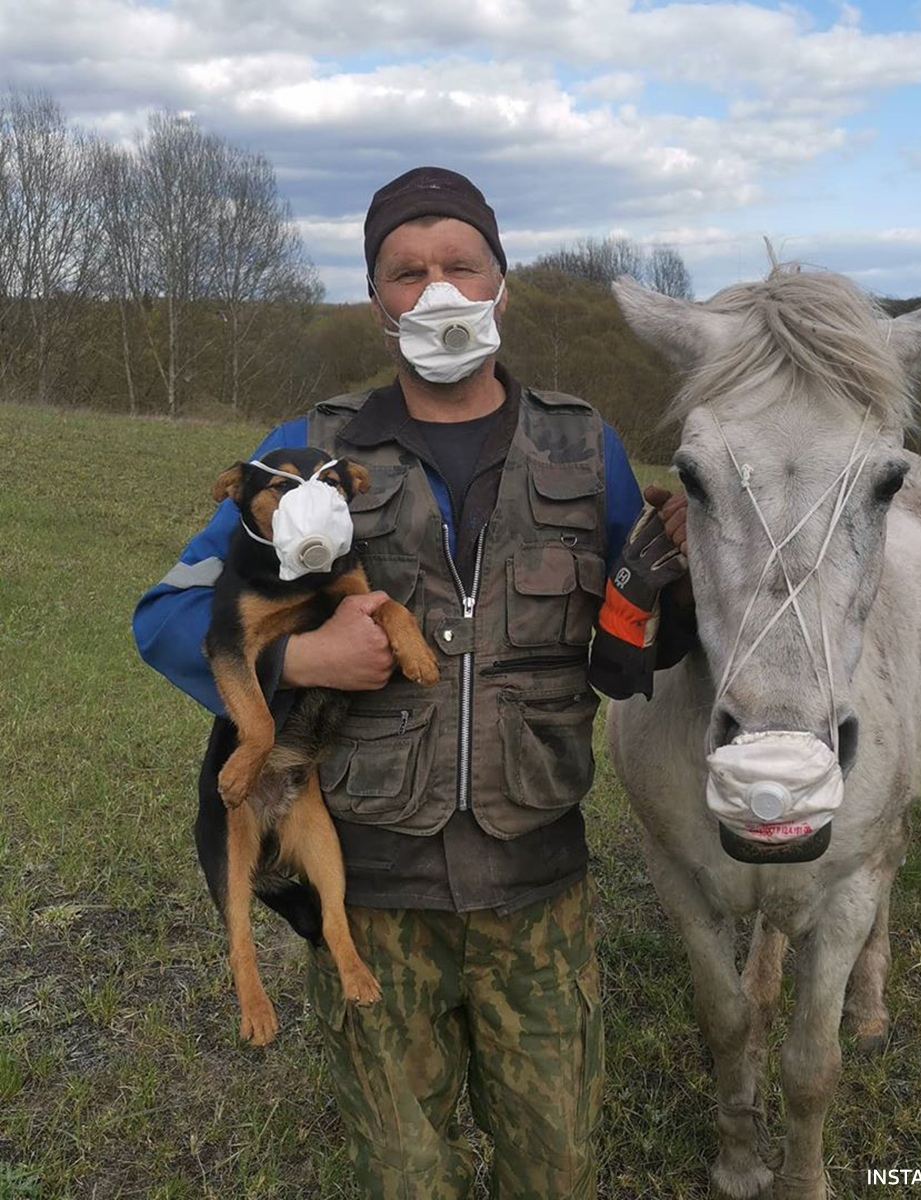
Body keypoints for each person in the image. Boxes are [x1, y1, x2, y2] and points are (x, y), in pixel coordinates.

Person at [133, 166, 693, 1199]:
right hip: (371, 889)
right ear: (376, 301)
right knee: (403, 1177)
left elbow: (651, 634)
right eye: (407, 272)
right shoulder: (310, 450)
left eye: (460, 265)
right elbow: (164, 617)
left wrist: (691, 568)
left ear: (502, 284)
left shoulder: (584, 447)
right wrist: (301, 658)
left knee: (559, 1173)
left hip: (539, 894)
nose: (437, 291)